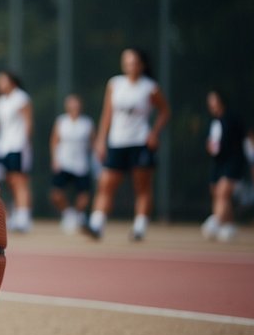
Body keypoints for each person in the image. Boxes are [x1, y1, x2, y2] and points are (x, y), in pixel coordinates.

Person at [84, 47, 170, 241]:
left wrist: (154, 133)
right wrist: (100, 140)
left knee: (142, 186)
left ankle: (139, 227)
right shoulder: (115, 84)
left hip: (140, 142)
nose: (129, 65)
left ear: (142, 65)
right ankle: (96, 225)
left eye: (133, 62)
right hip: (117, 142)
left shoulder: (150, 87)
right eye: (126, 61)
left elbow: (165, 111)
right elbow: (107, 114)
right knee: (106, 183)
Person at [201, 89, 247, 242]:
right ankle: (228, 225)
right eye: (209, 101)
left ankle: (215, 221)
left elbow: (242, 138)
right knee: (216, 192)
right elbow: (212, 142)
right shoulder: (213, 121)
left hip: (233, 161)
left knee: (223, 193)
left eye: (214, 100)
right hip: (218, 162)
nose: (211, 104)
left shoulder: (232, 118)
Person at [0, 70, 32, 233]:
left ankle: (24, 218)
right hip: (3, 147)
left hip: (18, 145)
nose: (0, 84)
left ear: (12, 81)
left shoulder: (21, 98)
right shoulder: (0, 101)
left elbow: (28, 122)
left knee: (19, 180)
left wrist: (25, 145)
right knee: (5, 181)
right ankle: (11, 215)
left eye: (3, 80)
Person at [49, 94, 94, 234]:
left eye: (76, 104)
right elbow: (54, 141)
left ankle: (79, 217)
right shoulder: (61, 121)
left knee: (83, 194)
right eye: (71, 104)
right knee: (56, 194)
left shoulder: (87, 123)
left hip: (81, 164)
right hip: (64, 162)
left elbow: (94, 142)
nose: (74, 106)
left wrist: (96, 161)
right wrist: (55, 159)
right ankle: (69, 214)